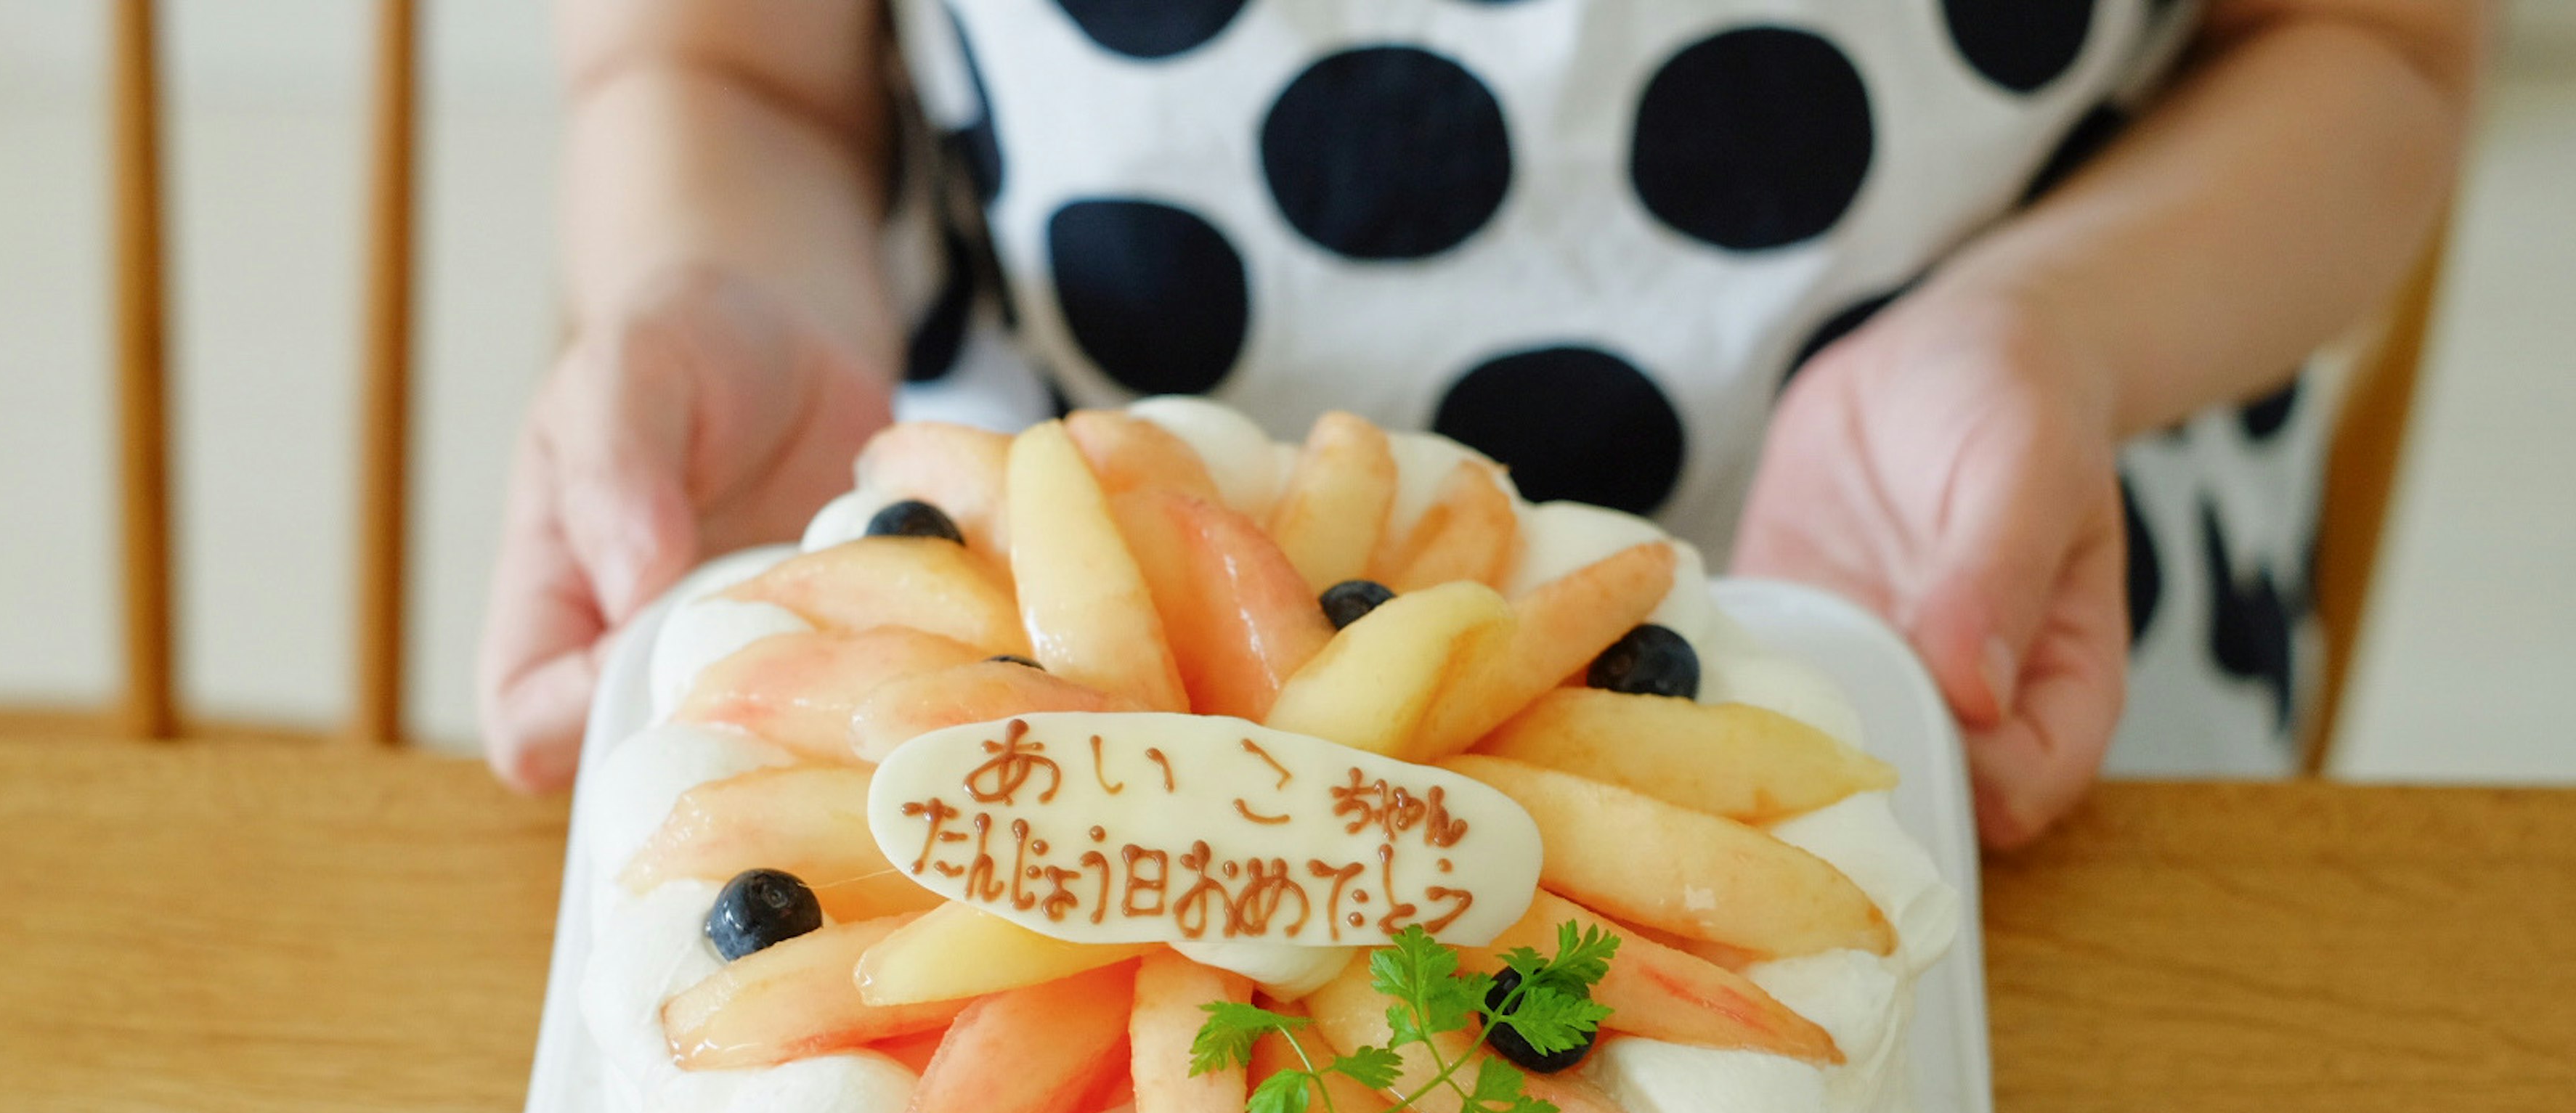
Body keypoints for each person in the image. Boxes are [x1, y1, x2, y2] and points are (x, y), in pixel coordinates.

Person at [480, 0, 2484, 847]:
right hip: (1028, 661)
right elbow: (720, 64)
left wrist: (2057, 330)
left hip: (1973, 622)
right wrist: (714, 290)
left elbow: (2368, 42)